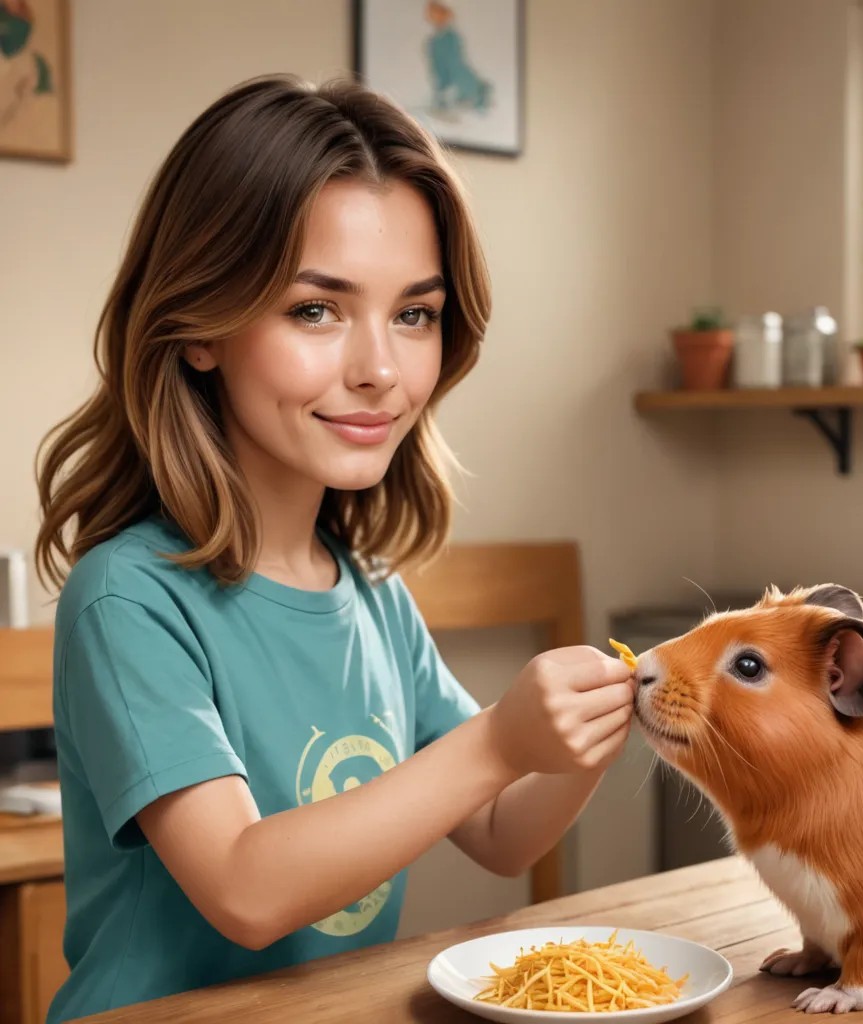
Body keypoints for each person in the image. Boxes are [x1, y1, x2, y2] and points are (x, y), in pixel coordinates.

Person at [34, 75, 635, 1023]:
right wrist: (499, 739)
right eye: (316, 310)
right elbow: (245, 889)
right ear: (200, 329)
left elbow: (497, 828)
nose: (380, 370)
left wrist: (588, 734)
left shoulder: (371, 593)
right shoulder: (127, 599)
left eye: (415, 313)